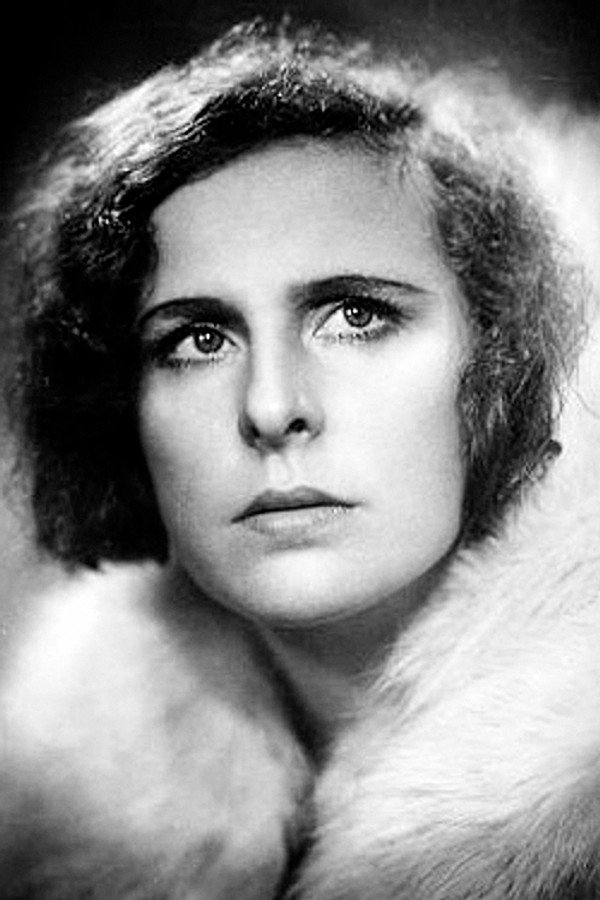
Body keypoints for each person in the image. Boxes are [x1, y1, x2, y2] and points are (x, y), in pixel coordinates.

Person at [1, 20, 599, 900]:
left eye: (356, 316)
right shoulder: (49, 807)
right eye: (198, 339)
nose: (272, 408)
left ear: (502, 369)